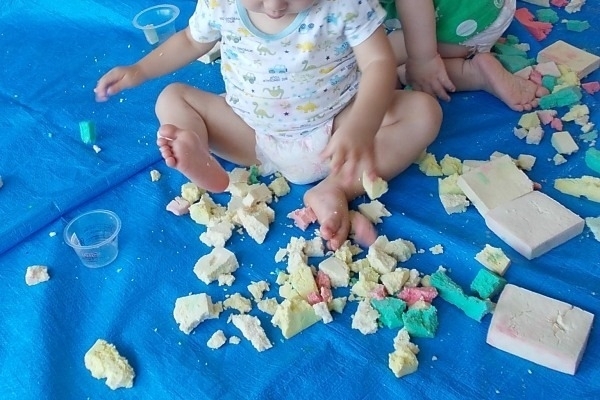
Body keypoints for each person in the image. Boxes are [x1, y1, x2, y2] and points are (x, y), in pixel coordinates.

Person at [94, 0, 441, 250]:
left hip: (338, 132)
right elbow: (189, 40)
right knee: (171, 98)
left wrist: (362, 126)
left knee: (424, 111)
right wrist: (139, 70)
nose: (275, 5)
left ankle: (336, 187)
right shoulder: (221, 4)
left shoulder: (345, 4)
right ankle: (196, 147)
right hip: (251, 136)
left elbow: (379, 61)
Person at [384, 0, 548, 112]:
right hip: (490, 9)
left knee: (379, 62)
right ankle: (406, 72)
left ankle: (472, 74)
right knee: (397, 69)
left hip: (462, 25)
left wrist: (423, 60)